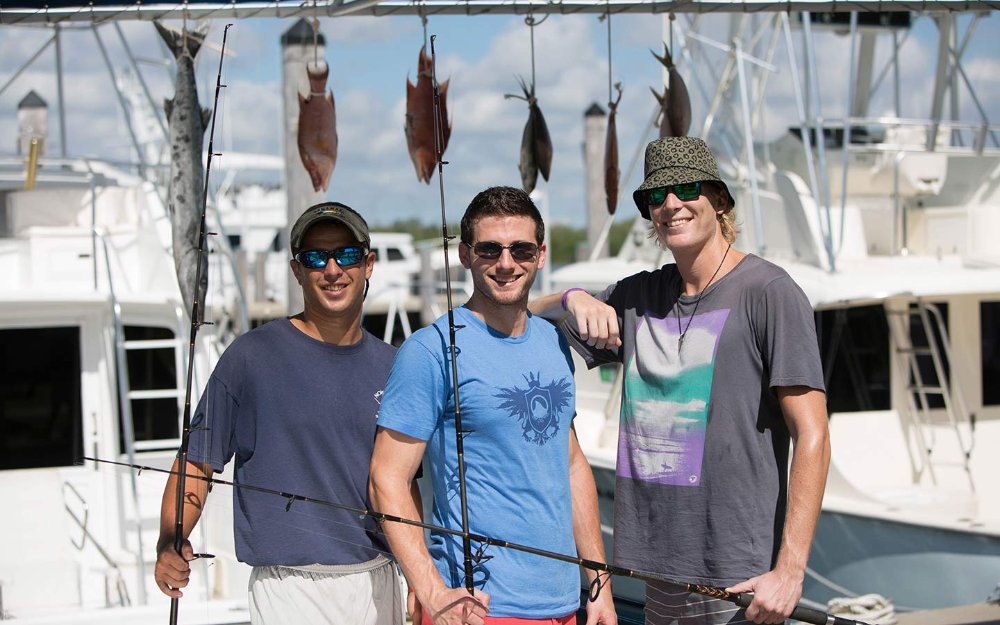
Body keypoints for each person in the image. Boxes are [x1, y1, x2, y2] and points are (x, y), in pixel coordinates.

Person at [530, 137, 831, 625]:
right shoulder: (636, 297)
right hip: (658, 568)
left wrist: (790, 570)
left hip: (740, 578)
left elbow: (813, 433)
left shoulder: (771, 293)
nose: (671, 204)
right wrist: (573, 298)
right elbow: (522, 317)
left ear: (719, 200)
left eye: (686, 188)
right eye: (657, 196)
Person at [153, 202, 414, 625]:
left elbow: (402, 484)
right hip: (287, 590)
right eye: (315, 257)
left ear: (368, 264)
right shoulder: (249, 356)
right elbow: (196, 463)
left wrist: (419, 578)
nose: (332, 269)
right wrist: (170, 540)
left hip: (378, 580)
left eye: (346, 254)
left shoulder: (396, 365)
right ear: (297, 270)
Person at [369, 186, 617, 625]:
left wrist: (598, 583)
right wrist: (432, 592)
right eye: (489, 249)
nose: (506, 263)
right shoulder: (429, 350)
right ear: (465, 255)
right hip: (479, 611)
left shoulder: (553, 341)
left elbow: (572, 462)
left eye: (520, 249)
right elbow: (386, 479)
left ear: (540, 254)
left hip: (564, 604)